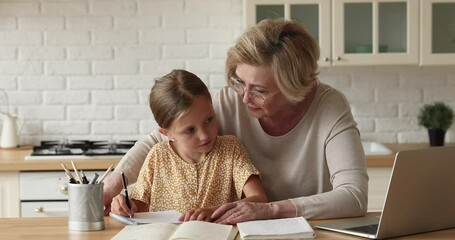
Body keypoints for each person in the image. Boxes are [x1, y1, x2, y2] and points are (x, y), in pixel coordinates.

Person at [104, 18, 368, 224]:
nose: (244, 97)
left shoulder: (329, 107)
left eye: (260, 90)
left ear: (295, 88)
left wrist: (270, 209)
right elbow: (160, 139)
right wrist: (112, 187)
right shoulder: (233, 99)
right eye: (240, 82)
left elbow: (354, 196)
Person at [110, 69, 268, 221]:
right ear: (166, 133)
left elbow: (259, 199)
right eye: (190, 130)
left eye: (209, 120)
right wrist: (123, 205)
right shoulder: (158, 156)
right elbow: (138, 209)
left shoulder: (231, 148)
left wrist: (212, 212)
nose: (205, 135)